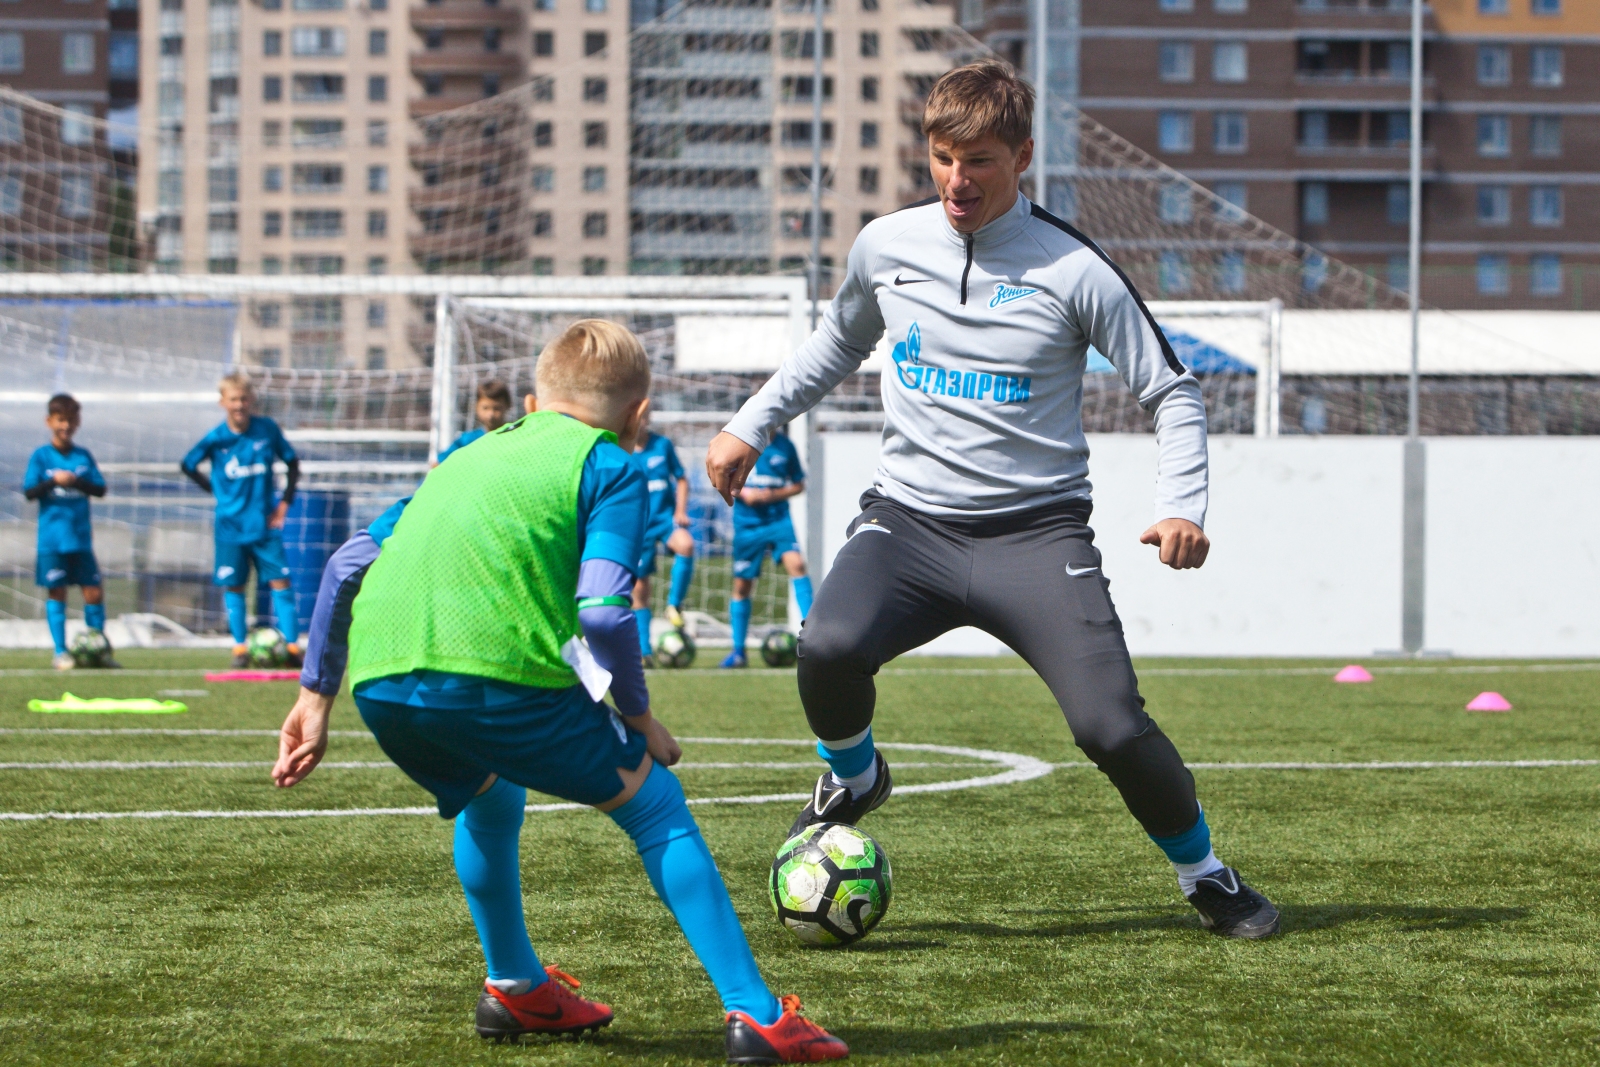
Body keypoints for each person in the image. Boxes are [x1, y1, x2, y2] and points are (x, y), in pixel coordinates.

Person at [705, 60, 1279, 939]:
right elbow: (833, 346)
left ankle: (1206, 873)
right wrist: (750, 421)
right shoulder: (886, 247)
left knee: (1111, 728)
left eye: (978, 161)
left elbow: (1173, 391)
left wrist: (1184, 506)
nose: (956, 181)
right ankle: (854, 777)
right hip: (907, 526)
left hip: (1035, 535)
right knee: (824, 643)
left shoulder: (1077, 269)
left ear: (1021, 158)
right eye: (941, 157)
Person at [271, 320, 847, 1062]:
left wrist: (315, 700)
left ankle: (514, 985)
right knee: (656, 805)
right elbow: (604, 609)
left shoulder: (466, 454)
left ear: (536, 399)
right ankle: (757, 1014)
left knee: (489, 792)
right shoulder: (612, 466)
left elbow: (349, 562)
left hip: (379, 683)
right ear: (638, 416)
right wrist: (639, 717)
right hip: (496, 677)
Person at [181, 373, 303, 668]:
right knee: (234, 587)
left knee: (281, 582)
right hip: (230, 527)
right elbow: (187, 464)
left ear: (252, 401)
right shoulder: (217, 438)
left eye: (244, 399)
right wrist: (215, 490)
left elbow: (292, 463)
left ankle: (292, 648)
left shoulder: (267, 430)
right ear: (223, 402)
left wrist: (284, 504)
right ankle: (239, 648)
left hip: (264, 526)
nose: (239, 405)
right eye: (233, 399)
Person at [23, 394, 110, 670]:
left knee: (93, 592)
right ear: (49, 421)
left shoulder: (83, 456)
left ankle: (96, 649)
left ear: (77, 422)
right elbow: (29, 492)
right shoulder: (41, 456)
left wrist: (76, 481)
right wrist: (53, 481)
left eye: (71, 420)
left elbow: (100, 489)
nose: (66, 425)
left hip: (81, 539)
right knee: (57, 592)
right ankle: (61, 652)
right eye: (61, 420)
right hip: (52, 541)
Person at [721, 426, 812, 669]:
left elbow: (799, 484)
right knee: (742, 585)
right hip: (748, 526)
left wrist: (772, 495)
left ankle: (814, 641)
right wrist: (742, 493)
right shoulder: (740, 443)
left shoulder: (785, 446)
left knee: (798, 565)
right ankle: (738, 651)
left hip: (778, 521)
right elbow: (722, 476)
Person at [631, 418, 695, 665]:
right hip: (639, 524)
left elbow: (681, 478)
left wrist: (680, 510)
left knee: (686, 545)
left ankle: (673, 605)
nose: (641, 422)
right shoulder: (620, 449)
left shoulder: (662, 445)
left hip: (665, 520)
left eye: (645, 417)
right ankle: (644, 650)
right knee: (639, 588)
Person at [436, 379, 512, 464]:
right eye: (485, 408)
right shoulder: (467, 440)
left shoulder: (514, 435)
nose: (491, 414)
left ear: (508, 406)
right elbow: (439, 463)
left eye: (497, 408)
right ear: (476, 407)